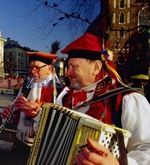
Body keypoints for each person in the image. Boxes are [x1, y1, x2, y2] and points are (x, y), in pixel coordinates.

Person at [57, 33, 150, 164]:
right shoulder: (65, 97)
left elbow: (146, 149)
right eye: (68, 66)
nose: (68, 72)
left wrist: (118, 163)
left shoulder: (127, 100)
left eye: (74, 67)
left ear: (96, 67)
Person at [1, 50, 62, 164]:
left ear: (49, 69)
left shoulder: (58, 91)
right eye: (31, 67)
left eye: (37, 68)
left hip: (43, 149)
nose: (33, 71)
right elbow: (15, 111)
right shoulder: (26, 86)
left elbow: (59, 124)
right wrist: (9, 115)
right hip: (20, 143)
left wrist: (37, 114)